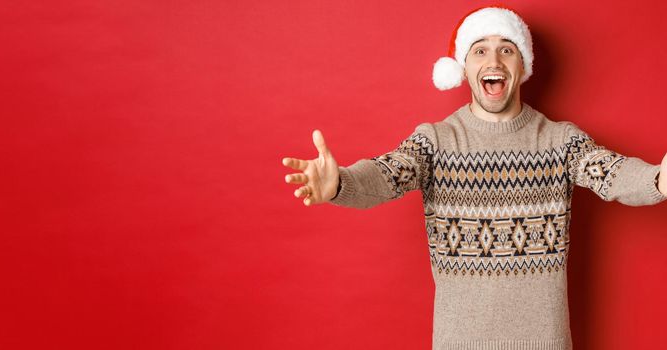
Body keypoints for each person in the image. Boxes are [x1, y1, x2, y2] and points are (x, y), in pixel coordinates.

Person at [281, 6, 667, 350]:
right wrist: (340, 184)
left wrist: (659, 180)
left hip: (545, 341)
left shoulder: (560, 140)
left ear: (523, 66)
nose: (493, 59)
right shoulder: (434, 142)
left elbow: (612, 173)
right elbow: (386, 175)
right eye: (479, 49)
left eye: (507, 49)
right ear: (464, 68)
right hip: (458, 342)